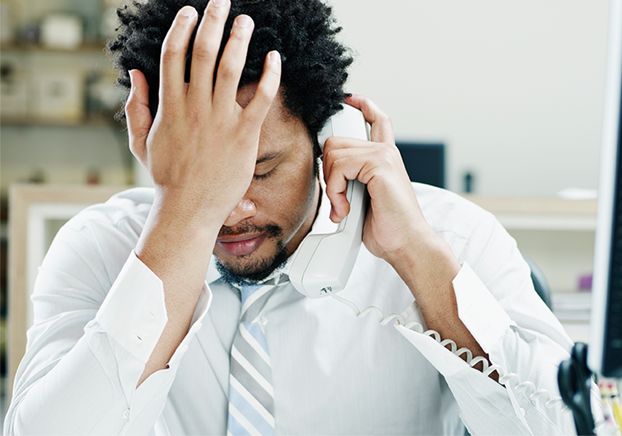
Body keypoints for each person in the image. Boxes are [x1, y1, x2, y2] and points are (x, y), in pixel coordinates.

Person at [5, 0, 578, 435]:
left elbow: (564, 425)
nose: (231, 209)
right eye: (203, 174)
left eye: (261, 169)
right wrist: (180, 220)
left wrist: (420, 261)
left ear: (329, 137)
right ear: (147, 141)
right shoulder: (100, 249)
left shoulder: (454, 237)